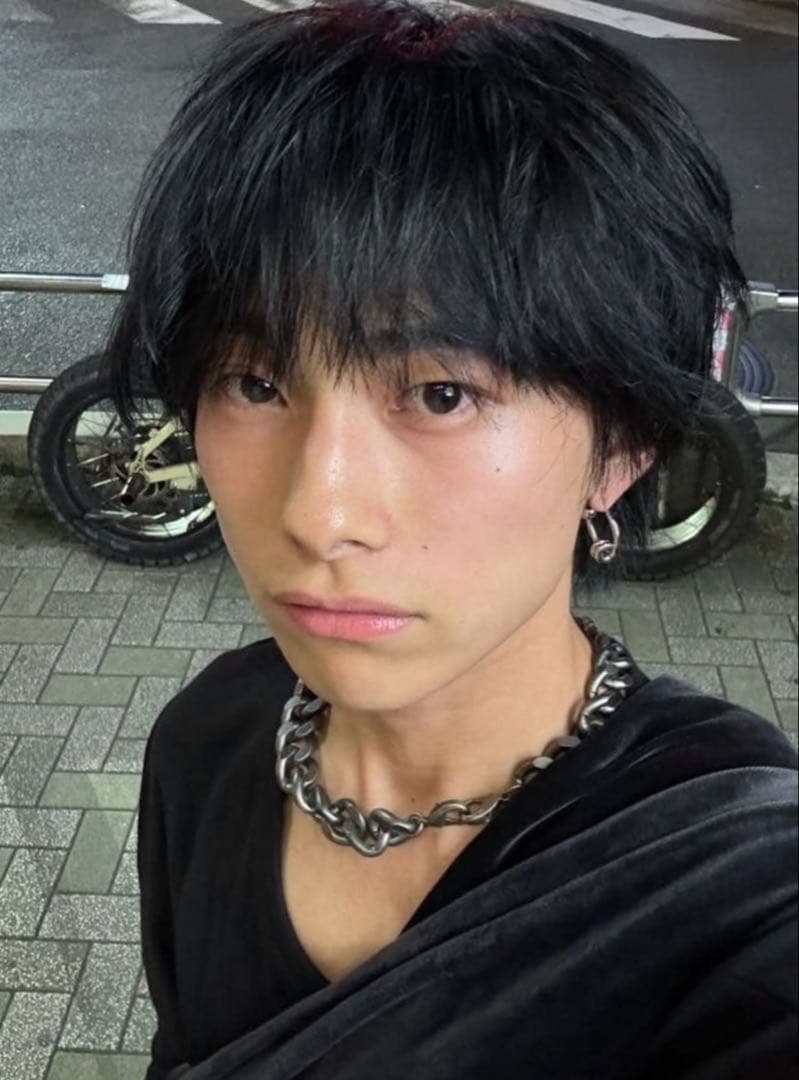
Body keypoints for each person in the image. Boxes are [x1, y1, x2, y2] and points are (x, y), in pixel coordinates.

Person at [104, 2, 798, 1077]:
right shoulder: (203, 742)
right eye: (254, 382)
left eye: (440, 393)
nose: (318, 513)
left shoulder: (736, 878)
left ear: (621, 446)